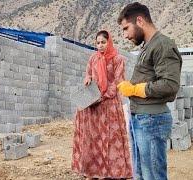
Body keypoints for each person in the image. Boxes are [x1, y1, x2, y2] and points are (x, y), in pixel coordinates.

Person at [117, 2, 182, 180]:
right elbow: (151, 78)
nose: (125, 35)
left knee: (152, 176)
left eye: (126, 28)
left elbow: (169, 85)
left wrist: (135, 89)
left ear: (140, 20)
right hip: (142, 119)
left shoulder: (162, 45)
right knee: (141, 175)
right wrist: (130, 86)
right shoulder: (149, 46)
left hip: (152, 121)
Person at [72, 30, 132, 179]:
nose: (100, 45)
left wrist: (101, 97)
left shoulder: (118, 60)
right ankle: (92, 171)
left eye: (103, 42)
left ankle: (112, 172)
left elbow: (117, 82)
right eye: (97, 43)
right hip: (93, 106)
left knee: (110, 139)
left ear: (109, 42)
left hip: (109, 105)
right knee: (93, 139)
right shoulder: (93, 58)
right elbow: (89, 73)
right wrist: (88, 78)